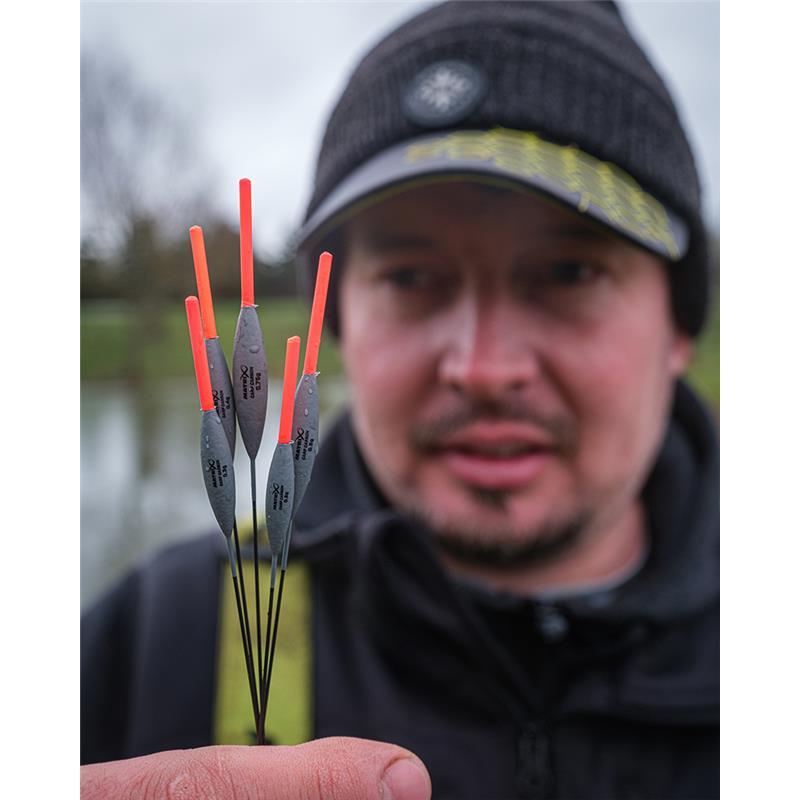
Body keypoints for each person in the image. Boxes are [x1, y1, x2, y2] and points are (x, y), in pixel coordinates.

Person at [81, 2, 719, 799]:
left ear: (680, 326)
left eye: (568, 274)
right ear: (340, 323)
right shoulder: (143, 644)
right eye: (411, 277)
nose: (483, 368)